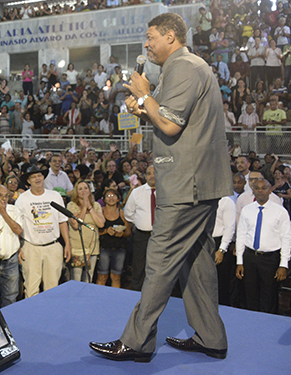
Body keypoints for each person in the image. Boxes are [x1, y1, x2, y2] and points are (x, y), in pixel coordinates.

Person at [90, 13, 232, 362]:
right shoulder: (188, 66)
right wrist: (143, 110)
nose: (147, 44)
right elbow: (173, 118)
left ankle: (136, 342)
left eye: (151, 36)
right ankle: (211, 337)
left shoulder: (183, 66)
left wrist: (145, 94)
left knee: (159, 262)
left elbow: (169, 125)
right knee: (196, 262)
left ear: (171, 36)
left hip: (187, 183)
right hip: (200, 183)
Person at [235, 179, 291, 313]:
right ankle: (252, 325)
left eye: (264, 188)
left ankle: (268, 325)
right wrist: (239, 262)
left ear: (270, 190)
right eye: (257, 188)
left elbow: (286, 239)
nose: (260, 191)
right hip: (250, 257)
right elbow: (241, 235)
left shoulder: (280, 211)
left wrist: (283, 265)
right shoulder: (247, 210)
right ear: (252, 190)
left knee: (269, 296)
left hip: (270, 259)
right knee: (250, 294)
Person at [15, 165, 71, 298]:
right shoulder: (22, 199)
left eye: (39, 175)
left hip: (53, 246)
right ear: (28, 181)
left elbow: (62, 221)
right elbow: (17, 226)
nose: (37, 179)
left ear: (44, 177)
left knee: (52, 289)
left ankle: (49, 317)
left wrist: (67, 244)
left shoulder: (55, 195)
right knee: (31, 288)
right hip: (31, 247)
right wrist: (19, 248)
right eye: (33, 177)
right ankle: (31, 317)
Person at [122, 165, 156, 291]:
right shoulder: (137, 192)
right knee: (139, 267)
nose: (152, 175)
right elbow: (128, 214)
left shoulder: (166, 192)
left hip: (162, 235)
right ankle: (136, 294)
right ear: (145, 176)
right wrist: (142, 222)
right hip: (142, 235)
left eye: (154, 172)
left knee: (159, 267)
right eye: (149, 173)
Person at [67, 180, 105, 282]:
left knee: (89, 277)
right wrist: (84, 207)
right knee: (77, 278)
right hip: (77, 247)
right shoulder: (71, 205)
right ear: (76, 192)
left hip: (92, 247)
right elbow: (75, 224)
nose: (83, 191)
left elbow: (101, 224)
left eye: (86, 188)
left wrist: (90, 207)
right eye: (80, 189)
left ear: (90, 190)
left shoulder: (96, 205)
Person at [97, 188, 130, 288]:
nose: (111, 198)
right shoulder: (100, 212)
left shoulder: (122, 213)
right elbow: (93, 232)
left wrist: (122, 234)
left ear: (118, 199)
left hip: (119, 249)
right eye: (108, 196)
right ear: (104, 199)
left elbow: (128, 232)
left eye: (113, 196)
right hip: (103, 248)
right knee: (102, 276)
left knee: (116, 277)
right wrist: (106, 231)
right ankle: (98, 300)